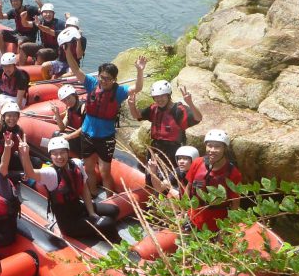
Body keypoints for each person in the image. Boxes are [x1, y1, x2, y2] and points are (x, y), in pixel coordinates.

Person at [66, 49, 146, 194]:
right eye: (102, 77)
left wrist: (140, 71)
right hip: (87, 134)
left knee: (104, 171)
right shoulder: (91, 84)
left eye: (108, 79)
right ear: (98, 76)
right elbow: (76, 69)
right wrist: (67, 51)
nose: (104, 81)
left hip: (105, 137)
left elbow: (138, 87)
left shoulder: (119, 92)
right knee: (89, 168)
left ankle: (109, 198)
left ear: (114, 80)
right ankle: (93, 193)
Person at [18, 136, 119, 242]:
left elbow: (84, 189)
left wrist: (91, 213)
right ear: (51, 156)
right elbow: (31, 173)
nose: (59, 157)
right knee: (108, 222)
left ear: (68, 152)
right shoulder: (51, 174)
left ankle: (94, 228)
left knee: (114, 210)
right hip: (69, 223)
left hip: (79, 208)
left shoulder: (76, 164)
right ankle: (115, 241)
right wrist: (25, 155)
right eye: (55, 154)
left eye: (62, 152)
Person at [128, 80, 203, 164]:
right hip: (155, 148)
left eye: (162, 96)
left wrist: (190, 103)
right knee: (150, 174)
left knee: (170, 176)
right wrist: (132, 106)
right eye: (156, 97)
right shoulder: (154, 108)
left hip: (173, 150)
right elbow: (137, 116)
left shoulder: (178, 110)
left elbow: (198, 118)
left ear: (168, 95)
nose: (159, 99)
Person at [185, 130, 243, 232]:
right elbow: (189, 187)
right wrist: (184, 209)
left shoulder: (233, 173)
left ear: (225, 148)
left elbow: (235, 204)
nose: (212, 150)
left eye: (217, 147)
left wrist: (226, 229)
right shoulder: (197, 163)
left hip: (216, 223)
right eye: (209, 146)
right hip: (194, 217)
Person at [0, 100, 25, 177]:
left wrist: (26, 169)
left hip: (9, 161)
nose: (12, 118)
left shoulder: (19, 131)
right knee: (14, 175)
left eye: (15, 115)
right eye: (9, 115)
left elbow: (20, 153)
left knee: (36, 162)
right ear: (3, 117)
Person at [21, 0, 64, 65]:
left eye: (50, 12)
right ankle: (21, 69)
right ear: (41, 13)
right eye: (45, 12)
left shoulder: (59, 23)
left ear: (53, 14)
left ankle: (35, 71)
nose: (47, 14)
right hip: (44, 46)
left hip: (55, 51)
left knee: (41, 52)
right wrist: (23, 18)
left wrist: (39, 25)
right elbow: (26, 24)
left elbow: (50, 31)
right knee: (24, 46)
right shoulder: (41, 21)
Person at [50, 83, 85, 155]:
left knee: (62, 137)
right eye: (64, 100)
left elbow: (85, 128)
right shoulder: (69, 109)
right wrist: (57, 114)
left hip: (87, 138)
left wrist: (68, 137)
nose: (67, 102)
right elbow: (62, 127)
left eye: (69, 98)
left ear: (74, 95)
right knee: (56, 134)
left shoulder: (83, 107)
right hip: (78, 137)